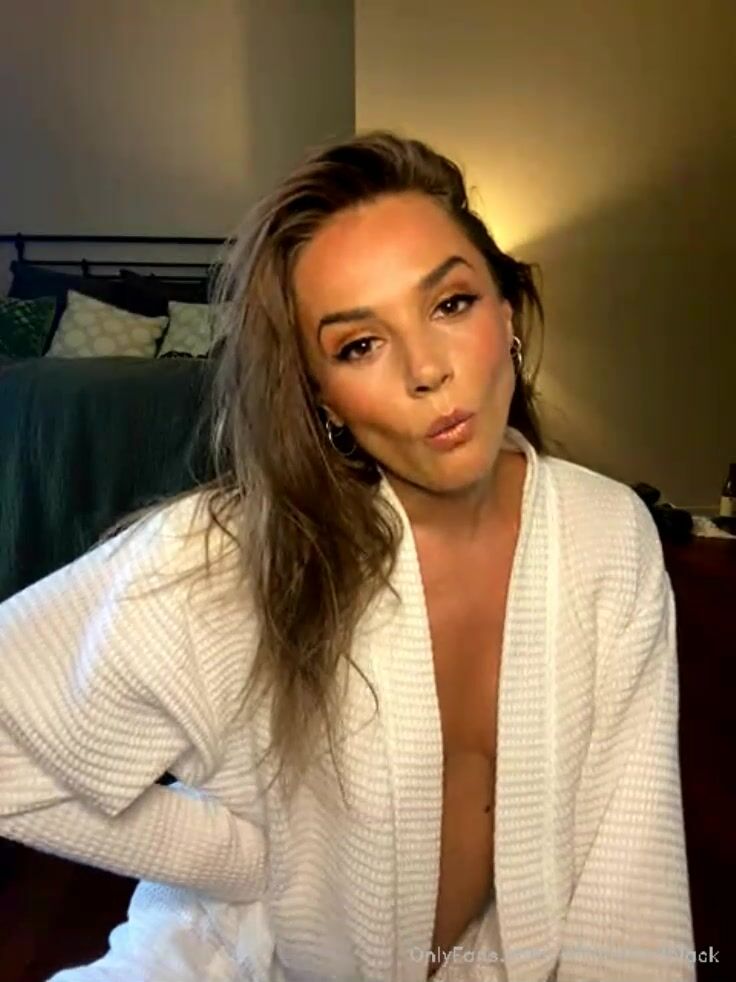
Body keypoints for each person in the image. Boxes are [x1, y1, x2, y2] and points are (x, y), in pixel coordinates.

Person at [0, 131, 694, 982]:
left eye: (451, 304)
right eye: (359, 345)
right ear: (321, 397)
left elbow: (632, 892)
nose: (427, 370)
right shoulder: (241, 554)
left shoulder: (609, 536)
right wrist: (232, 859)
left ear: (507, 312)